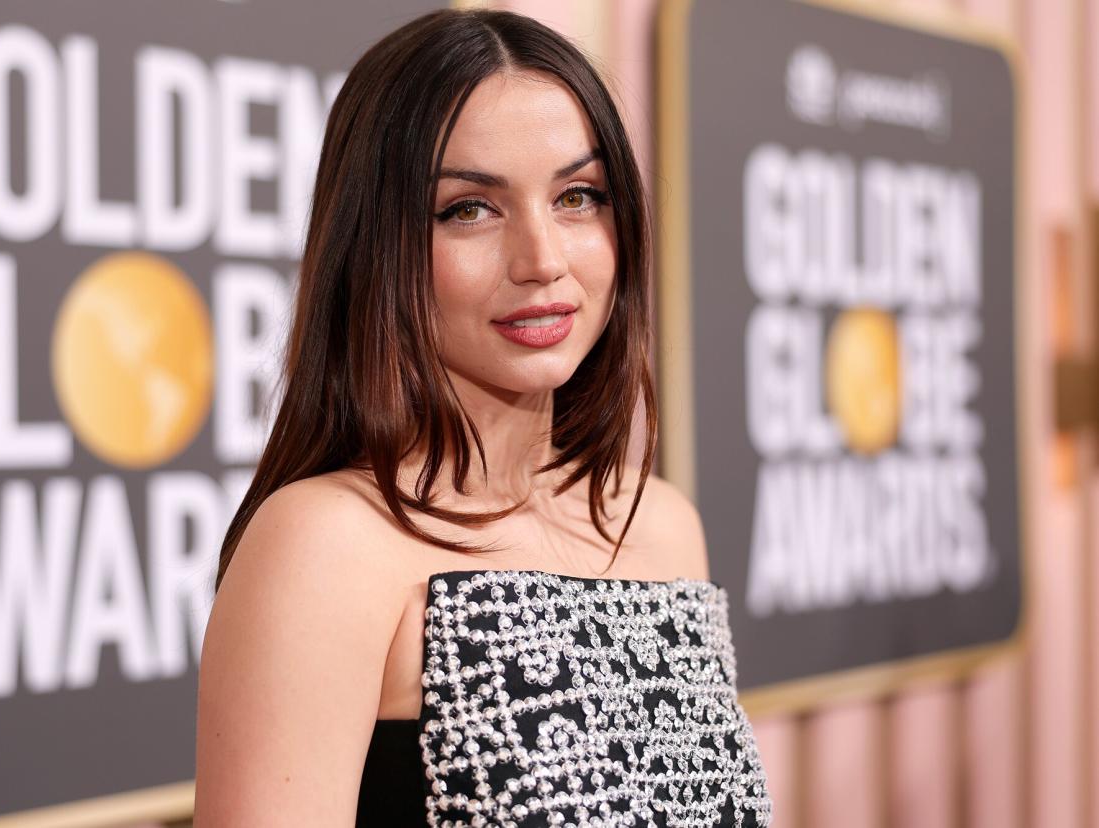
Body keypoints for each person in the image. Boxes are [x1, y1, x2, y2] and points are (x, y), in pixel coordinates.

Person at [194, 8, 773, 827]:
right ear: (378, 244)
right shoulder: (325, 546)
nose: (543, 259)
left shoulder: (658, 523)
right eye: (470, 208)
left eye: (579, 196)